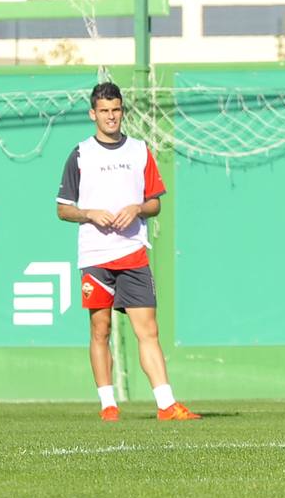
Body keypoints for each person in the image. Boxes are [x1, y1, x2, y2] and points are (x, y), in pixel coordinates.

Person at [56, 83, 200, 422]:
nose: (111, 116)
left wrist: (137, 208)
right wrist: (89, 213)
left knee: (147, 330)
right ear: (93, 114)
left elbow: (155, 203)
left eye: (116, 110)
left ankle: (166, 404)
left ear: (123, 112)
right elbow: (63, 208)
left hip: (133, 251)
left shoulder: (139, 150)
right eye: (104, 111)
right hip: (95, 255)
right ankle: (108, 405)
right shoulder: (80, 154)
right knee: (100, 330)